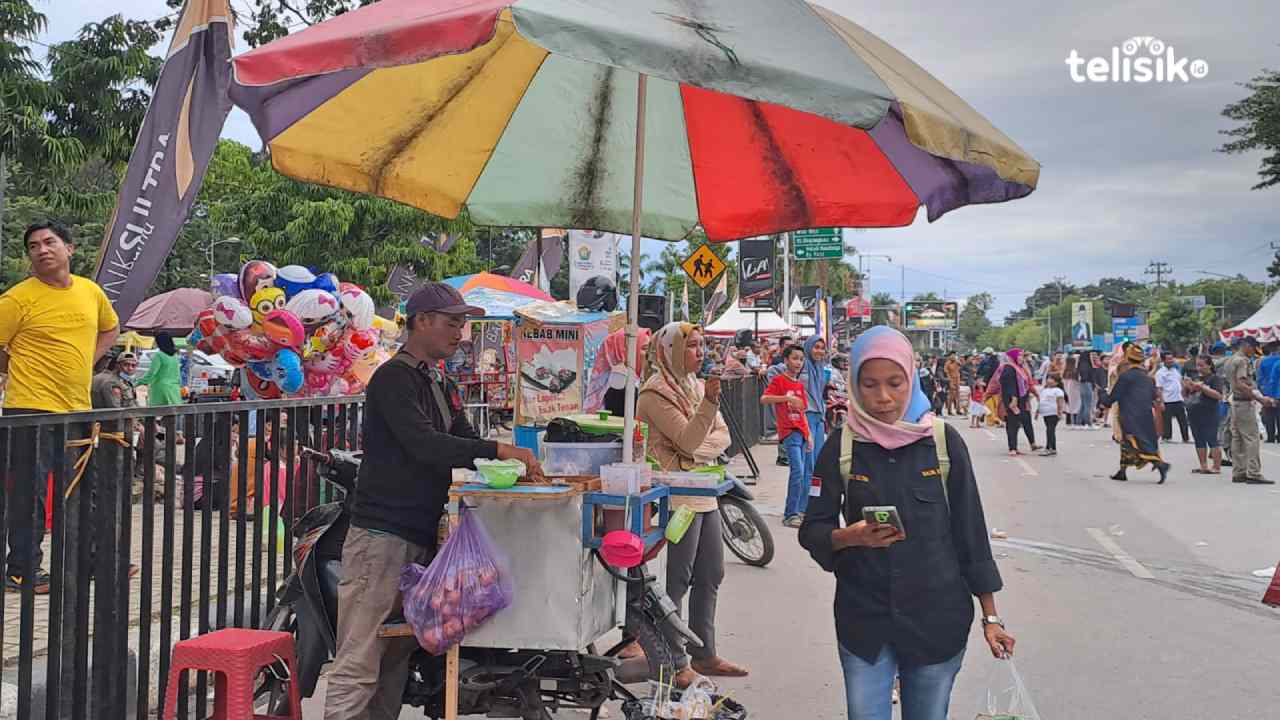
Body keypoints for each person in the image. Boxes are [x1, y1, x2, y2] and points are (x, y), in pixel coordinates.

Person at [325, 283, 543, 719]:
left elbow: (460, 436)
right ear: (421, 321)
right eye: (452, 323)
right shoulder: (392, 378)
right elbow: (425, 444)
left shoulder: (438, 380)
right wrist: (499, 452)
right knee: (361, 655)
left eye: (463, 324)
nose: (460, 333)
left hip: (419, 532)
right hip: (381, 535)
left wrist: (508, 456)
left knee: (394, 659)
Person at [799, 327, 1014, 720]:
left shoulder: (943, 443)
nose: (883, 398)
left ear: (911, 378)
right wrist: (852, 537)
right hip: (865, 619)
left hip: (938, 619)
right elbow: (812, 529)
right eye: (870, 385)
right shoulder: (842, 446)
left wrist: (992, 618)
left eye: (895, 383)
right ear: (855, 386)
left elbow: (972, 535)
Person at [0, 221, 120, 594]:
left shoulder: (90, 291)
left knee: (83, 490)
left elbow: (110, 328)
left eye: (50, 242)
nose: (42, 249)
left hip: (76, 408)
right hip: (28, 409)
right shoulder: (16, 299)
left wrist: (88, 362)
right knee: (28, 493)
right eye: (33, 245)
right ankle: (22, 570)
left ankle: (91, 562)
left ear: (70, 249)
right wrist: (17, 367)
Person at [636, 322, 748, 686]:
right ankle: (674, 659)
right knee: (679, 580)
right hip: (677, 491)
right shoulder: (654, 394)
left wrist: (696, 448)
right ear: (670, 351)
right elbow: (687, 440)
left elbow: (722, 436)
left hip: (703, 486)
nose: (700, 353)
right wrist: (698, 435)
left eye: (702, 346)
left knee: (711, 573)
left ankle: (704, 653)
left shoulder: (695, 387)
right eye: (693, 346)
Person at [1099, 343, 1171, 483]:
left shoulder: (1126, 376)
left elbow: (1113, 396)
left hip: (1130, 414)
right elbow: (1152, 396)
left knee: (1136, 442)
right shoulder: (1148, 378)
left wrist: (1102, 396)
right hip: (1145, 413)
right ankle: (1122, 471)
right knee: (1128, 442)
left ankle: (1160, 464)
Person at [761, 344, 813, 528]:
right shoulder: (779, 381)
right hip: (789, 433)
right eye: (794, 358)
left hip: (802, 433)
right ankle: (790, 514)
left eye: (801, 359)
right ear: (785, 360)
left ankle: (799, 510)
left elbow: (803, 413)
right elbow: (764, 399)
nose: (798, 362)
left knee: (804, 472)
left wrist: (809, 436)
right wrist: (786, 398)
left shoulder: (799, 385)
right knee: (797, 471)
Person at [1223, 336, 1276, 485]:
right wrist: (1260, 399)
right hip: (1244, 403)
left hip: (1235, 403)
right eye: (1253, 348)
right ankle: (1253, 473)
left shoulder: (1230, 360)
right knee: (1252, 438)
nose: (1253, 352)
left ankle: (1239, 472)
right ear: (1246, 345)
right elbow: (1241, 383)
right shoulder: (1242, 361)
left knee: (1238, 438)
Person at [1184, 355, 1225, 474]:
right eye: (1197, 365)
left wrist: (1202, 388)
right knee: (1198, 439)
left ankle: (1216, 467)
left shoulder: (1214, 379)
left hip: (1209, 412)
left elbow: (1218, 395)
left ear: (1209, 365)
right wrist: (1187, 386)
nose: (1199, 368)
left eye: (1201, 365)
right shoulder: (1195, 377)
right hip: (1194, 412)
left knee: (1212, 438)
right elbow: (1186, 395)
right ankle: (1203, 466)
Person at [999, 349, 1038, 456]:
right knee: (1012, 423)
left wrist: (1034, 395)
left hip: (1022, 400)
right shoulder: (1009, 368)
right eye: (1019, 355)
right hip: (1012, 401)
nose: (1022, 358)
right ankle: (1012, 448)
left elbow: (1027, 384)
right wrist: (1014, 399)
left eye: (1022, 355)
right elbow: (1010, 385)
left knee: (1025, 420)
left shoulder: (1020, 368)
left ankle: (1028, 444)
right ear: (1013, 357)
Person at [802, 335, 830, 481]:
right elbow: (775, 372)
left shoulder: (820, 368)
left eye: (822, 348)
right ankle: (803, 502)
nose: (819, 351)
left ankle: (814, 498)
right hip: (805, 416)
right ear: (808, 348)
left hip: (819, 416)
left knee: (818, 460)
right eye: (816, 347)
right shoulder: (801, 364)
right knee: (808, 461)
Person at [135, 331, 184, 406]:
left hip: (160, 389)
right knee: (172, 415)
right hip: (174, 389)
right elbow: (178, 375)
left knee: (154, 414)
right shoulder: (175, 356)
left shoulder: (159, 355)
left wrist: (138, 383)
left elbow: (151, 373)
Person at [1155, 351, 1190, 444]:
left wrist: (1184, 394)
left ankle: (1186, 438)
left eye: (1172, 358)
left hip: (1178, 399)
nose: (1171, 361)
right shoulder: (1160, 373)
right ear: (1163, 360)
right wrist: (1161, 402)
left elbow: (1180, 382)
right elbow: (1159, 388)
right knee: (1167, 421)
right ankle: (1166, 437)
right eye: (1169, 359)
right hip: (1167, 400)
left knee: (1183, 420)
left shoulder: (1175, 370)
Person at [1034, 375, 1066, 456]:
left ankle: (1050, 448)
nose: (1049, 380)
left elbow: (1060, 401)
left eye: (1052, 379)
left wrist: (1059, 412)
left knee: (1050, 430)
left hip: (1053, 413)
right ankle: (1052, 448)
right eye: (1048, 378)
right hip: (1045, 413)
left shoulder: (1058, 391)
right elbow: (1041, 401)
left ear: (1057, 382)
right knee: (1049, 429)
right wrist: (1037, 412)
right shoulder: (1044, 390)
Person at [1258, 343, 1280, 443]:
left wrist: (1264, 392)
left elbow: (1260, 379)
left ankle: (1270, 437)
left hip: (1268, 391)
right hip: (1277, 392)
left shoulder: (1264, 361)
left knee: (1269, 415)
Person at [1063, 355, 1081, 426]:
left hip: (1067, 390)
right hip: (1075, 390)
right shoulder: (1075, 372)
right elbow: (1078, 381)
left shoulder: (1065, 371)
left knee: (1069, 405)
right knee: (1076, 405)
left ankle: (1068, 420)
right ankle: (1075, 421)